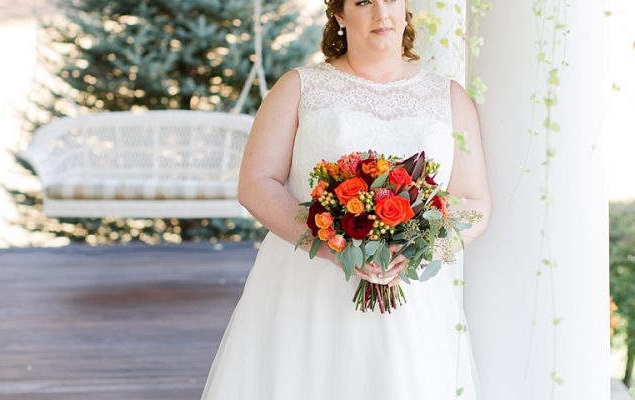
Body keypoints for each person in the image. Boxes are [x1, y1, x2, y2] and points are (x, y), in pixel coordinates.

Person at [200, 0, 491, 398]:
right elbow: (256, 183)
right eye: (363, 2)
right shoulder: (299, 87)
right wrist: (332, 247)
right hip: (307, 284)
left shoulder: (449, 97)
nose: (381, 13)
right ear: (339, 14)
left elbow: (474, 202)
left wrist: (421, 250)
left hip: (411, 297)